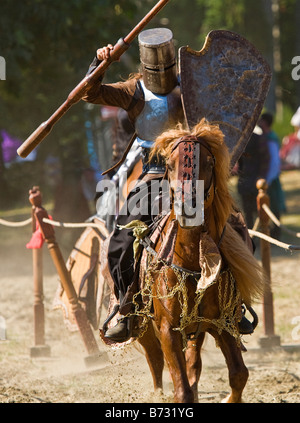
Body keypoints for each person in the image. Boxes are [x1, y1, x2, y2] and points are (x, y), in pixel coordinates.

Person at [83, 28, 257, 342]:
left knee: (236, 229)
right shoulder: (132, 90)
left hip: (193, 172)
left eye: (167, 67)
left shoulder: (191, 86)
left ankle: (236, 304)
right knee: (121, 242)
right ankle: (127, 308)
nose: (162, 72)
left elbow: (219, 120)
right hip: (153, 176)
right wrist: (100, 63)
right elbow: (89, 93)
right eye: (157, 67)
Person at [258, 113, 286, 239]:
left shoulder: (270, 137)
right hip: (268, 178)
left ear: (265, 122)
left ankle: (276, 232)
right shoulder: (264, 137)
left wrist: (268, 179)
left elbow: (275, 162)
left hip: (271, 179)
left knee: (274, 206)